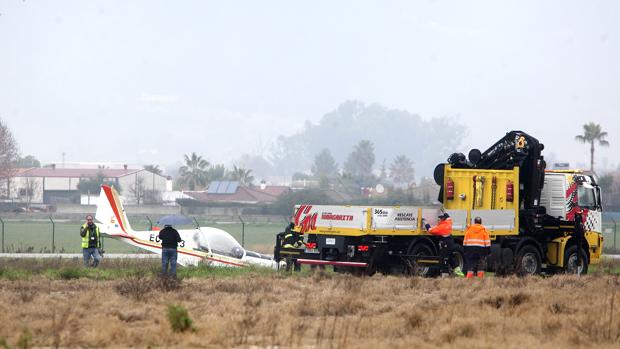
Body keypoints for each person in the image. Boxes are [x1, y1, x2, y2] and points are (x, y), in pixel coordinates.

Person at [425, 212, 464, 277]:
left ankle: (445, 274)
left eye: (439, 219)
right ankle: (457, 270)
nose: (438, 220)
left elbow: (431, 230)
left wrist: (426, 223)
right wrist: (444, 211)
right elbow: (449, 218)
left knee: (444, 258)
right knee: (451, 256)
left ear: (442, 219)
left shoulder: (441, 227)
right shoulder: (448, 223)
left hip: (446, 244)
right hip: (450, 242)